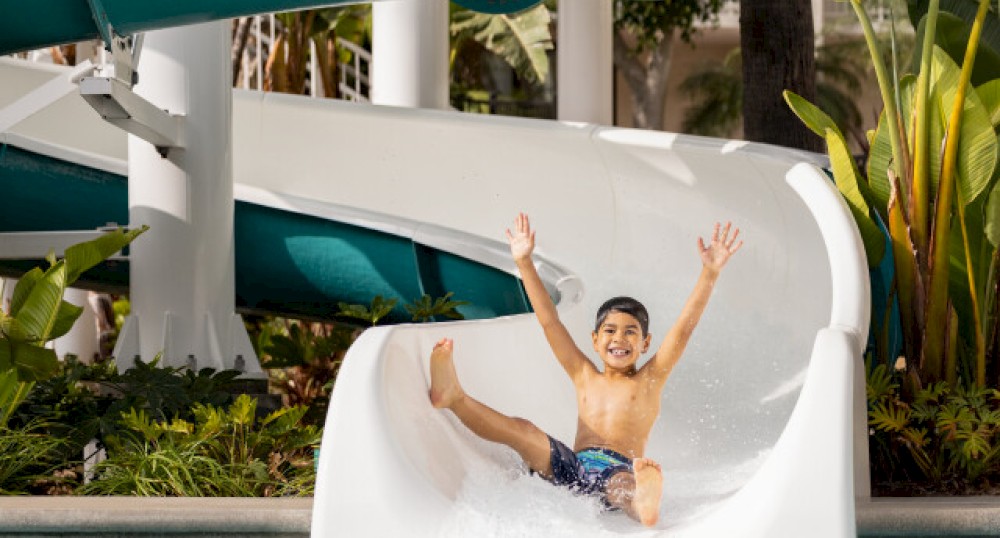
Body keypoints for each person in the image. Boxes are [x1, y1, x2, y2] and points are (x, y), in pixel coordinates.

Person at [428, 213, 743, 527]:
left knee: (622, 484)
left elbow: (682, 332)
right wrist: (524, 263)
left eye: (630, 332)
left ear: (645, 343)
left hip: (616, 469)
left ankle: (641, 504)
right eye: (610, 331)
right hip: (572, 463)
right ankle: (454, 398)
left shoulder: (649, 379)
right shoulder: (584, 374)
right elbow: (550, 322)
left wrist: (709, 273)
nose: (619, 338)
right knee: (523, 431)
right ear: (594, 340)